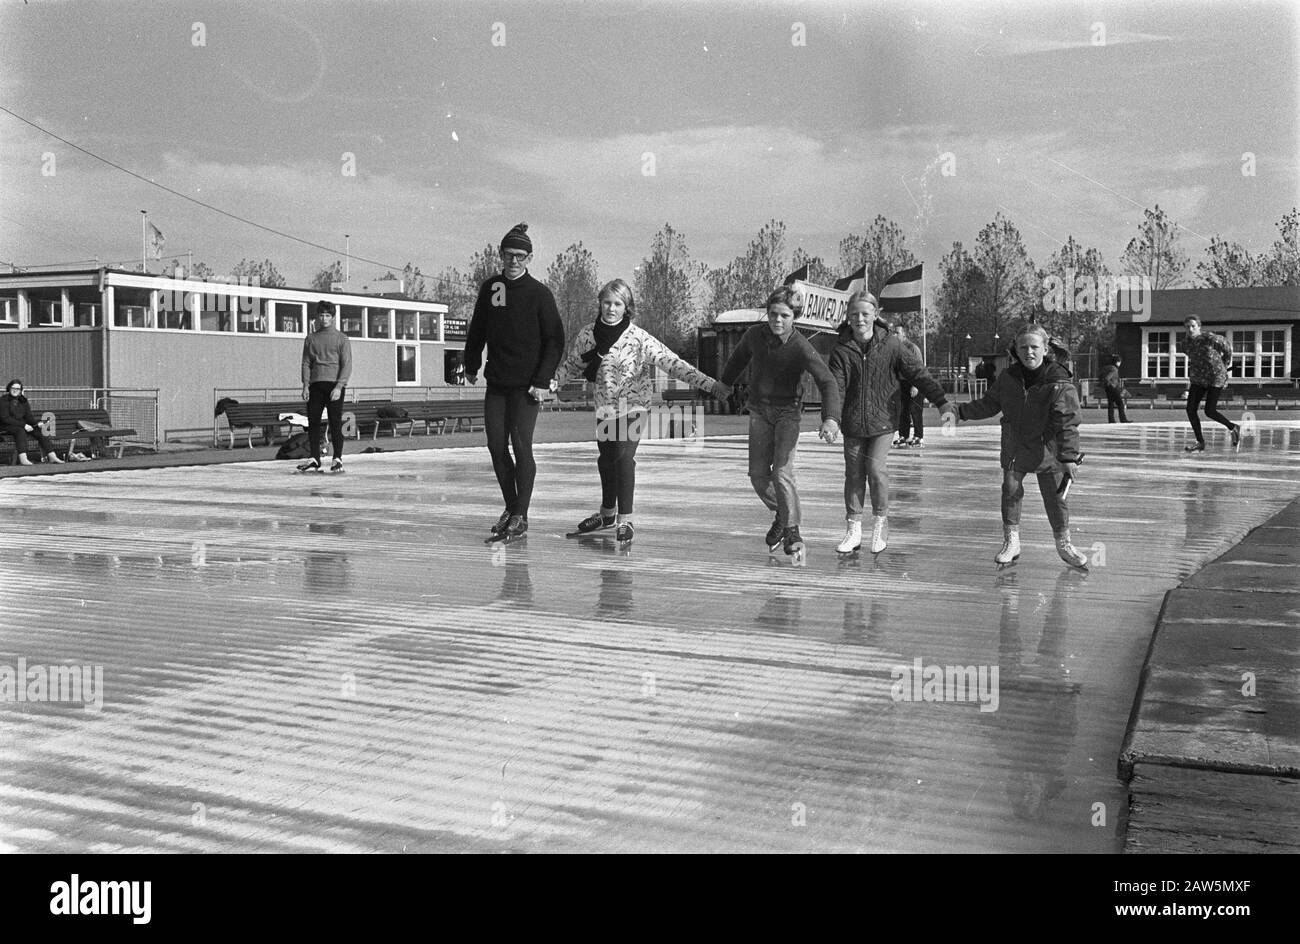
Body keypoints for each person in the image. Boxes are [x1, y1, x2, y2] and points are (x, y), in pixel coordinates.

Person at [554, 278, 729, 544]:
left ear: (627, 307)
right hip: (605, 408)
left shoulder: (638, 337)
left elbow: (673, 363)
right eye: (607, 303)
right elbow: (573, 366)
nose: (611, 309)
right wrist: (550, 383)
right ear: (600, 303)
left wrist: (711, 385)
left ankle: (625, 519)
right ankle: (606, 514)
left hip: (634, 406)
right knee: (606, 459)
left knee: (624, 457)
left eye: (618, 304)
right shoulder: (587, 335)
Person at [952, 324, 1088, 569]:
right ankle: (1011, 541)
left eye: (1035, 347)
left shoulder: (1058, 380)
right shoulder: (1009, 377)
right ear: (1015, 349)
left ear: (1045, 349)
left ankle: (1064, 543)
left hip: (1048, 448)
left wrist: (1068, 456)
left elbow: (1067, 420)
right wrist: (960, 411)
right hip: (1016, 444)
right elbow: (989, 404)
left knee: (1055, 498)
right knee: (1010, 489)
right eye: (1023, 347)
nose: (1029, 352)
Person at [720, 285, 841, 557]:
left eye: (784, 316)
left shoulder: (800, 346)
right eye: (773, 314)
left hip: (787, 413)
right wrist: (725, 384)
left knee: (782, 472)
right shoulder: (754, 335)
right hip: (760, 412)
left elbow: (827, 381)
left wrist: (831, 419)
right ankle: (783, 514)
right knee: (758, 475)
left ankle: (792, 530)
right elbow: (737, 359)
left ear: (793, 317)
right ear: (767, 312)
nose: (777, 320)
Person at [463, 223, 566, 540]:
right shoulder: (492, 288)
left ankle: (520, 515)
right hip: (497, 382)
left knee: (522, 448)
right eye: (509, 255)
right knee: (495, 446)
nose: (514, 261)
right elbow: (478, 328)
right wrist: (471, 363)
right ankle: (513, 507)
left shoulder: (539, 294)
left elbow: (555, 341)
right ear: (501, 255)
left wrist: (542, 379)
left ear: (529, 258)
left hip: (526, 387)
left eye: (520, 256)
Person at [829, 296, 953, 554]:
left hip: (883, 420)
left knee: (875, 469)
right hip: (852, 422)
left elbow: (919, 373)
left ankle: (880, 524)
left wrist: (941, 401)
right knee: (853, 475)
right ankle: (853, 530)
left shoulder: (892, 345)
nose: (859, 319)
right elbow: (836, 387)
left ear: (876, 314)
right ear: (848, 316)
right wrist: (831, 418)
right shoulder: (840, 349)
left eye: (865, 313)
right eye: (854, 314)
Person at [298, 300, 352, 473]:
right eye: (321, 315)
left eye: (328, 315)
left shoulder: (342, 339)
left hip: (334, 386)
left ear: (333, 317)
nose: (324, 318)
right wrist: (305, 385)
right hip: (315, 385)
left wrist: (339, 386)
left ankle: (337, 458)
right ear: (317, 317)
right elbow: (306, 363)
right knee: (313, 422)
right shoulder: (311, 338)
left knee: (335, 422)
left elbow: (347, 364)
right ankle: (315, 458)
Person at [1181, 315, 1240, 453]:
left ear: (1199, 327)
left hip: (1215, 376)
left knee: (1210, 411)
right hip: (1199, 378)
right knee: (1190, 409)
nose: (1190, 329)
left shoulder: (1209, 338)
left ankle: (1233, 427)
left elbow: (1227, 347)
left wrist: (1224, 364)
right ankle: (1200, 442)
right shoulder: (1185, 344)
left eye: (1193, 326)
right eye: (1187, 327)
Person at [0, 380, 65, 465]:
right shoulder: (3, 400)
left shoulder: (23, 401)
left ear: (20, 390)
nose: (15, 390)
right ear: (9, 388)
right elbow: (5, 418)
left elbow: (28, 416)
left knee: (39, 431)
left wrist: (36, 424)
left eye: (18, 388)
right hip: (5, 426)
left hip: (21, 425)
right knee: (20, 431)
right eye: (13, 388)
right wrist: (24, 425)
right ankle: (23, 459)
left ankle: (52, 456)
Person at [892, 323, 926, 446]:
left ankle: (918, 436)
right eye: (894, 332)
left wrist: (915, 385)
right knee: (903, 411)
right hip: (903, 383)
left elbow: (919, 367)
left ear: (904, 334)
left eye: (897, 333)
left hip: (915, 382)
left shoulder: (912, 348)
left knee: (915, 410)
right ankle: (903, 435)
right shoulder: (896, 349)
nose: (894, 335)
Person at [1099, 355, 1130, 424]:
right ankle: (1123, 419)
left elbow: (1103, 378)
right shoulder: (1114, 369)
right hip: (1113, 388)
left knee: (1111, 404)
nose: (1120, 363)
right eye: (1119, 361)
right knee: (1120, 404)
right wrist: (1113, 385)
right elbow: (1107, 378)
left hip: (1107, 388)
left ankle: (1111, 420)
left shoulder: (1106, 368)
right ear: (1116, 362)